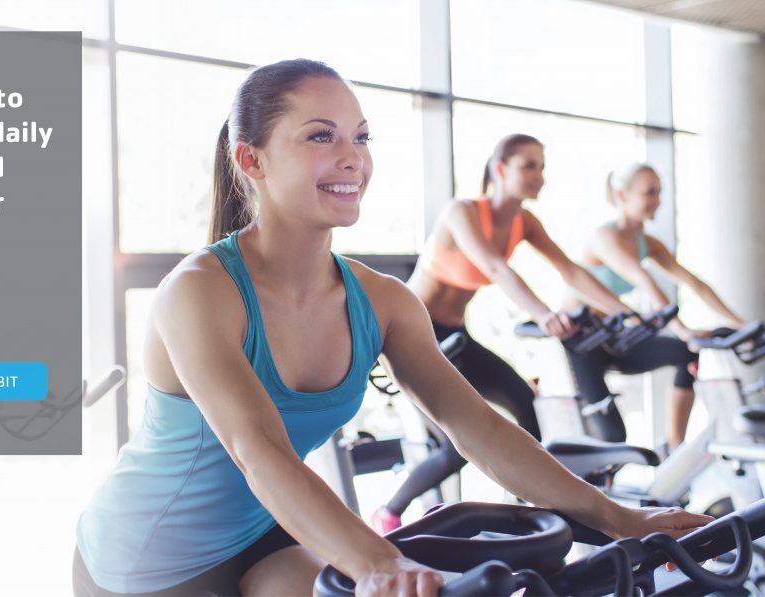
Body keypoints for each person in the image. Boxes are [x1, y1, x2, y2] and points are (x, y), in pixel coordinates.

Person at [74, 60, 710, 597]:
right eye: (321, 137)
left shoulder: (382, 301)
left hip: (268, 530)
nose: (353, 158)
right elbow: (256, 449)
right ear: (252, 160)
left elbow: (479, 427)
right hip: (146, 557)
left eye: (362, 137)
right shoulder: (200, 291)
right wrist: (379, 561)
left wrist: (616, 515)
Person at [371, 133, 641, 533]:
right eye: (528, 166)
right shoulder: (460, 212)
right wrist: (543, 314)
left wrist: (626, 312)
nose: (539, 176)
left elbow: (569, 270)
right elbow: (496, 268)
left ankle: (523, 514)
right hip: (411, 335)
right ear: (500, 169)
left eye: (542, 167)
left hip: (455, 335)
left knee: (524, 405)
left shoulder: (524, 222)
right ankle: (388, 514)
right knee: (458, 444)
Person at [566, 162, 745, 449]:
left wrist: (739, 323)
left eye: (659, 192)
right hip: (581, 343)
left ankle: (674, 447)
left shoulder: (647, 243)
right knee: (613, 437)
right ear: (622, 196)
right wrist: (682, 329)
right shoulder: (604, 238)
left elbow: (694, 283)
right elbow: (643, 280)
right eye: (649, 193)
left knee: (684, 353)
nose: (657, 201)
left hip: (614, 339)